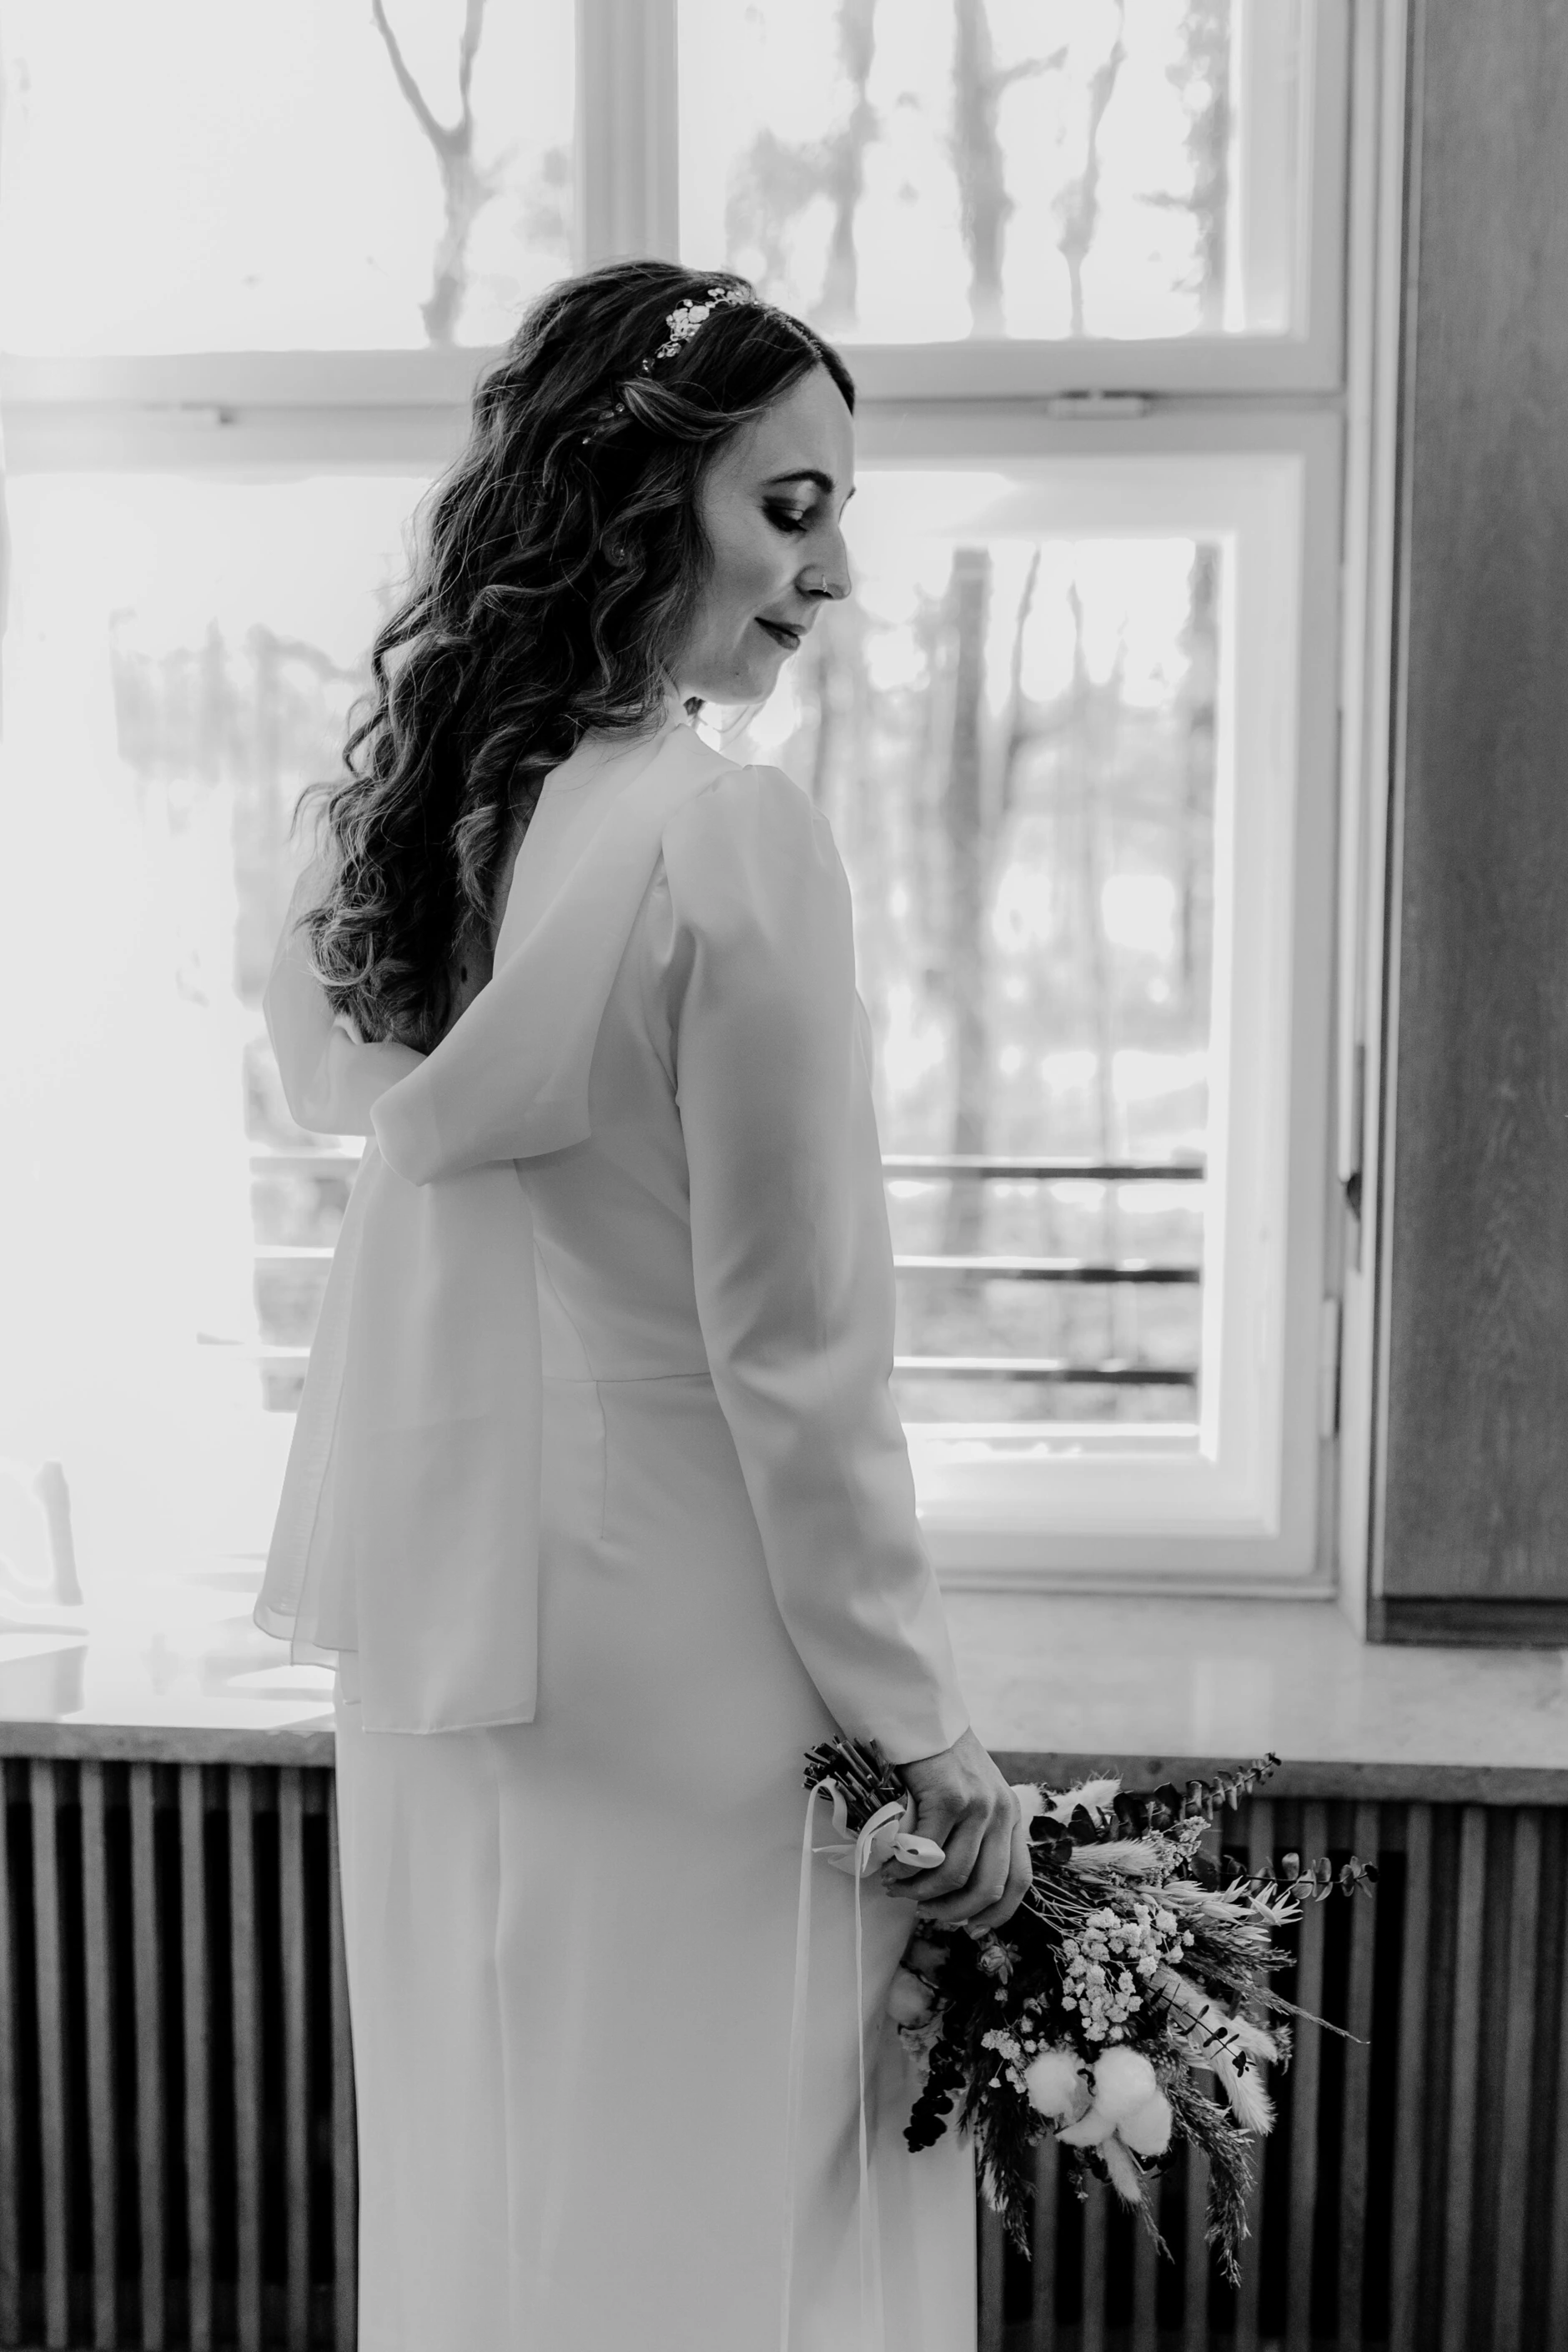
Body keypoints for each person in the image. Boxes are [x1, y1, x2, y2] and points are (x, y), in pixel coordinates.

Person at [254, 259, 1029, 2352]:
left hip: (449, 1645)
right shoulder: (725, 840)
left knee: (495, 2177)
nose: (832, 572)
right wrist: (925, 1733)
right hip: (694, 1668)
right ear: (637, 493)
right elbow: (798, 1356)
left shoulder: (402, 842)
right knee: (736, 2224)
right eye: (790, 508)